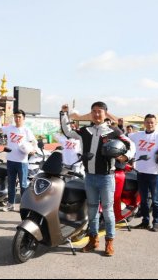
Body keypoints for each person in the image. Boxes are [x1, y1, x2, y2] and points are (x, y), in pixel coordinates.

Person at [60, 102, 135, 257]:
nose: (96, 114)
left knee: (107, 211)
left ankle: (109, 242)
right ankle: (93, 240)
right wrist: (63, 113)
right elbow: (67, 131)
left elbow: (130, 144)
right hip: (90, 177)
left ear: (105, 113)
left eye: (99, 111)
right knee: (92, 211)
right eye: (93, 111)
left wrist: (125, 156)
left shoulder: (113, 131)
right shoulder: (84, 130)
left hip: (107, 177)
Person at [129, 114, 158, 232]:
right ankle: (145, 221)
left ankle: (156, 222)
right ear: (144, 123)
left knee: (155, 200)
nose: (150, 124)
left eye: (152, 122)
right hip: (140, 172)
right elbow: (124, 138)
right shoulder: (137, 135)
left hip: (154, 173)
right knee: (143, 200)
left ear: (155, 124)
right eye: (148, 122)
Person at [0, 110, 37, 212]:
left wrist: (33, 150)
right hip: (10, 160)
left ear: (23, 118)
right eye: (16, 117)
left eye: (19, 117)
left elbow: (33, 142)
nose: (17, 119)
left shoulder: (26, 130)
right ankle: (10, 204)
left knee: (23, 185)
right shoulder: (10, 128)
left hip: (22, 161)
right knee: (11, 183)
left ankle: (23, 205)